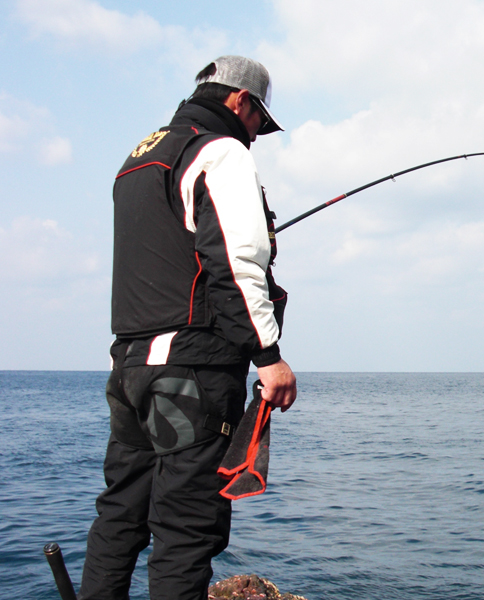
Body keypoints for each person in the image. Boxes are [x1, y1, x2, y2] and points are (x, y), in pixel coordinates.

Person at [79, 56, 297, 600]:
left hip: (129, 369)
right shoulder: (219, 152)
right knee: (185, 529)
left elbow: (174, 256)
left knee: (120, 516)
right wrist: (269, 356)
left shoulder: (136, 160)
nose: (255, 137)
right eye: (258, 124)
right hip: (192, 372)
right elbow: (235, 262)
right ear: (240, 102)